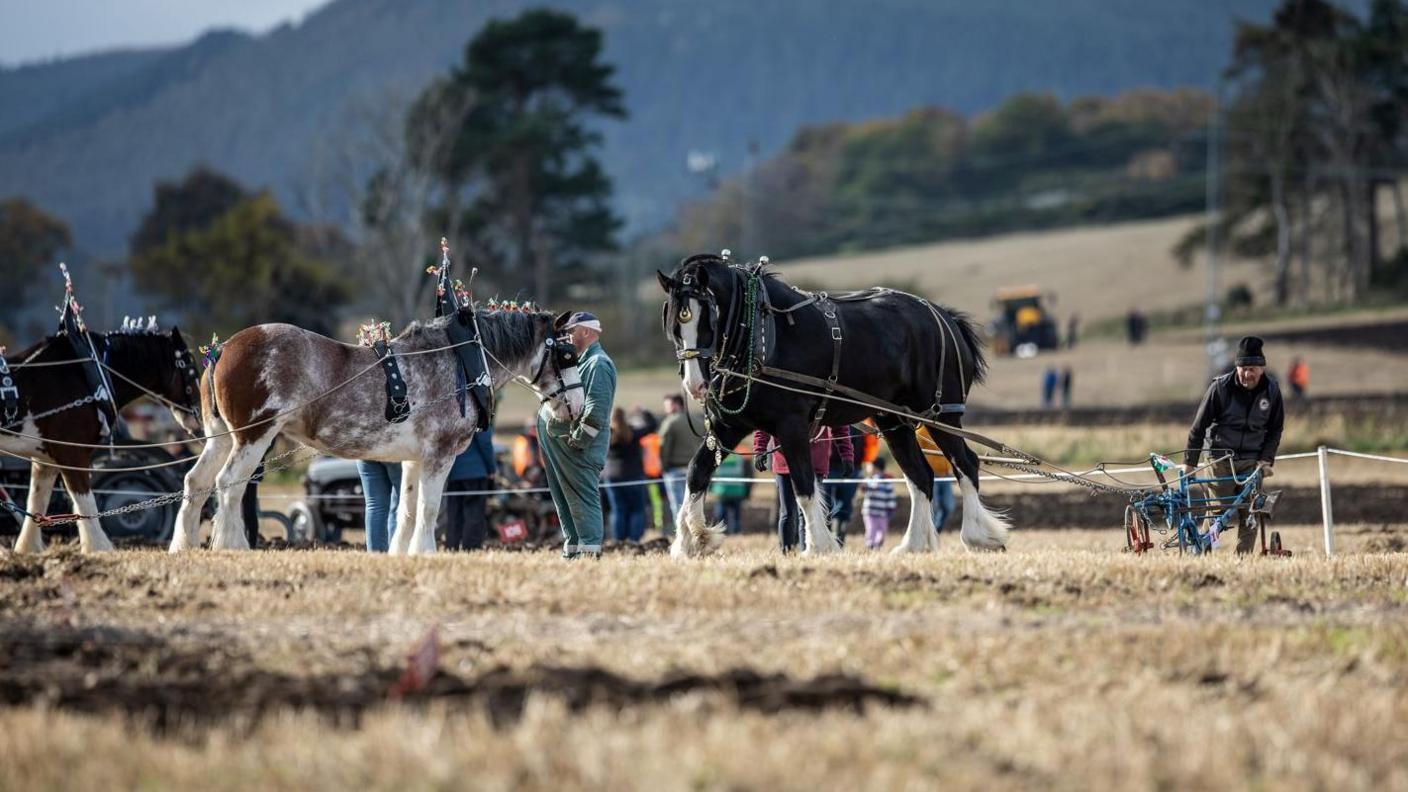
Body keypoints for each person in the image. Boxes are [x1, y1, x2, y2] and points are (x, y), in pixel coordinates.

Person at [1181, 336, 1285, 554]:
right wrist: (1189, 464)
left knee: (1251, 512)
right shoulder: (1220, 389)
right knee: (1219, 512)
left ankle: (1243, 558)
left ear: (1262, 368)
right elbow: (1198, 428)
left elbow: (1275, 429)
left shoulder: (1272, 391)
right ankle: (1203, 550)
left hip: (1252, 461)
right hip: (1220, 459)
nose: (1248, 374)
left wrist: (1266, 459)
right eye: (1243, 368)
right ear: (1237, 367)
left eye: (1253, 368)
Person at [538, 311, 617, 559]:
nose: (567, 337)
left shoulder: (598, 364)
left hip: (578, 449)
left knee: (582, 501)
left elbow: (596, 411)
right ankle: (572, 554)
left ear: (585, 331)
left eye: (571, 332)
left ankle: (589, 555)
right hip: (562, 447)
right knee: (565, 503)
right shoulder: (582, 362)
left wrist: (578, 441)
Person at [753, 426, 853, 553]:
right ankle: (787, 554)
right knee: (787, 512)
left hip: (813, 464)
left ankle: (807, 552)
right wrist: (759, 449)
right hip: (785, 463)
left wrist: (846, 454)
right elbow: (765, 419)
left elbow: (840, 424)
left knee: (805, 514)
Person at [443, 425, 496, 551]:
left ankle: (452, 546)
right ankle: (471, 548)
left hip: (453, 473)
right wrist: (491, 468)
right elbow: (485, 442)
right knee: (474, 514)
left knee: (454, 515)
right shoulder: (478, 412)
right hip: (476, 472)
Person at [604, 407, 649, 542]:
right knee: (637, 509)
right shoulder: (633, 432)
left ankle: (618, 539)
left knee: (617, 509)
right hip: (634, 476)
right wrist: (642, 411)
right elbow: (652, 425)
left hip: (612, 476)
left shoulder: (607, 434)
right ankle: (634, 540)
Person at [658, 393, 702, 526]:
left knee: (677, 507)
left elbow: (664, 448)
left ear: (677, 405)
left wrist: (663, 467)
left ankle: (681, 535)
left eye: (668, 405)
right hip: (694, 469)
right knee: (693, 506)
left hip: (674, 470)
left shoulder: (670, 422)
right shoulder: (697, 421)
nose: (666, 409)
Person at [821, 424, 861, 545]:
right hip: (828, 467)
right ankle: (825, 538)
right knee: (824, 505)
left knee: (845, 507)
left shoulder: (858, 422)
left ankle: (838, 541)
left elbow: (862, 446)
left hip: (851, 469)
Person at [916, 427, 955, 533]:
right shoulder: (921, 432)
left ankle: (936, 530)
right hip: (931, 476)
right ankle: (929, 532)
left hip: (946, 475)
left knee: (949, 506)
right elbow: (916, 455)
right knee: (934, 507)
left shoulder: (945, 430)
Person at [356, 459, 401, 552]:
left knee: (374, 506)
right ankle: (398, 555)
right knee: (401, 504)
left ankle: (375, 557)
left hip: (366, 451)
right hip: (396, 453)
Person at [709, 443, 753, 535]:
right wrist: (748, 492)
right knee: (736, 517)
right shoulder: (743, 452)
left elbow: (710, 474)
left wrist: (710, 489)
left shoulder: (717, 453)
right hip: (737, 491)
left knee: (720, 518)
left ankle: (721, 534)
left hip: (721, 491)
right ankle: (736, 533)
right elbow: (749, 474)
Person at [861, 457, 899, 550]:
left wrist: (891, 508)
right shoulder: (868, 480)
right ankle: (870, 545)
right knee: (871, 530)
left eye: (869, 465)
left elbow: (891, 495)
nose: (867, 467)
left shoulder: (887, 481)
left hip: (883, 513)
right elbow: (865, 490)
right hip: (870, 512)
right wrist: (864, 486)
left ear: (875, 467)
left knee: (882, 531)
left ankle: (878, 546)